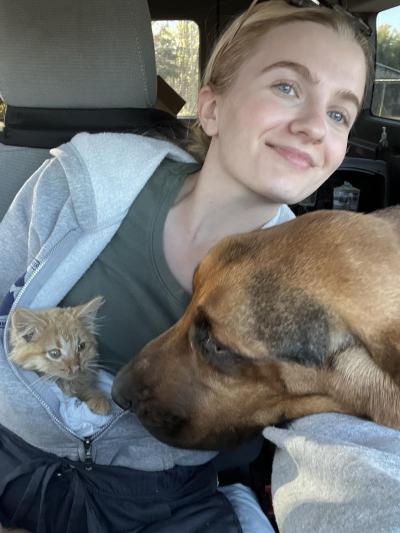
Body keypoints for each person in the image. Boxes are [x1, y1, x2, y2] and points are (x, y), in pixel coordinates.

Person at [0, 0, 375, 531]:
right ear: (212, 108)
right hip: (11, 444)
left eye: (340, 113)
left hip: (163, 499)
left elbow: (351, 438)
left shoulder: (313, 283)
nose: (316, 126)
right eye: (287, 87)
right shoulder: (79, 182)